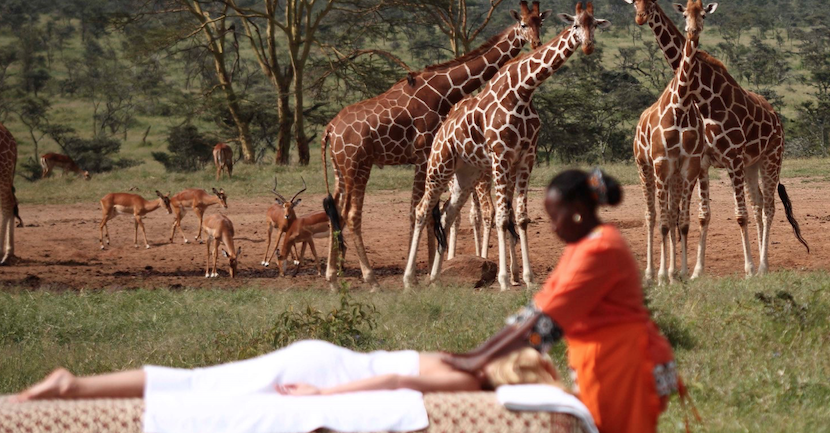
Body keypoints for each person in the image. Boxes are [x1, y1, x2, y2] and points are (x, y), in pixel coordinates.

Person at [444, 169, 686, 433]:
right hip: (603, 360)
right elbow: (535, 312)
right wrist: (476, 355)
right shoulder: (580, 248)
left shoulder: (600, 250)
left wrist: (479, 362)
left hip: (624, 364)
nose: (554, 227)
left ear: (578, 210)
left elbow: (544, 325)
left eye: (555, 216)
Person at [11, 340, 557, 402]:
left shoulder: (461, 358)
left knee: (203, 378)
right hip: (324, 367)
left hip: (325, 352)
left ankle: (76, 385)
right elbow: (395, 383)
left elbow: (397, 369)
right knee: (201, 387)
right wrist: (326, 392)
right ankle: (72, 386)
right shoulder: (467, 381)